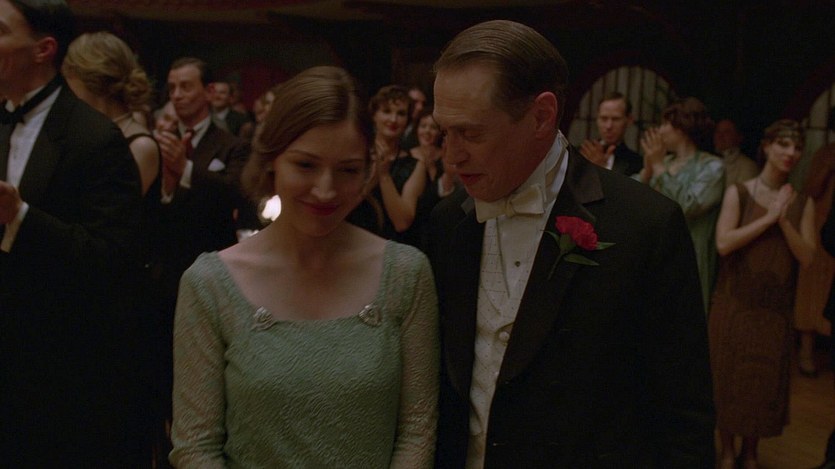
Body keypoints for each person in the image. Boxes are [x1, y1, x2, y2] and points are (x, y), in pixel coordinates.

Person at [429, 19, 714, 468]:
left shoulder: (645, 225)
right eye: (444, 132)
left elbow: (684, 413)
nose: (452, 155)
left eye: (472, 133)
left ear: (541, 116)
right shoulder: (449, 221)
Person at [169, 65, 439, 467]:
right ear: (272, 160)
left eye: (347, 170)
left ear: (367, 169)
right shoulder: (211, 284)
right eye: (306, 166)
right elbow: (195, 446)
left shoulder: (405, 274)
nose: (326, 190)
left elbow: (417, 429)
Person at [0, 0, 146, 465]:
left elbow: (111, 259)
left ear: (43, 49)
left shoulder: (95, 138)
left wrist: (20, 216)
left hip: (56, 374)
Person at [709, 119, 815, 469]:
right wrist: (768, 218)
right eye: (783, 144)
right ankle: (727, 451)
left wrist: (783, 220)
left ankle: (751, 452)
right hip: (734, 301)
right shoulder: (739, 192)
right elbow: (724, 243)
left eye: (797, 147)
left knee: (763, 382)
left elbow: (808, 257)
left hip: (774, 309)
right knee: (728, 376)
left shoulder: (802, 202)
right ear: (767, 147)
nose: (790, 153)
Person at [638, 97, 725, 312]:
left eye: (665, 124)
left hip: (690, 258)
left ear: (681, 128)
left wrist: (659, 168)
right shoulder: (664, 162)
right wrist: (647, 171)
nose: (660, 131)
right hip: (654, 254)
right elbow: (633, 202)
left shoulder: (712, 166)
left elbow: (688, 205)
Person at [348, 84, 427, 241]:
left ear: (408, 120)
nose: (393, 119)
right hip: (349, 239)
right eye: (386, 111)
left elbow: (402, 223)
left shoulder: (415, 166)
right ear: (374, 115)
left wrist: (384, 175)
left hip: (390, 246)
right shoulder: (354, 153)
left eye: (401, 113)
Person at [794, 106, 835, 377]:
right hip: (821, 227)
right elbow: (810, 190)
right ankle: (806, 352)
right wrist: (829, 167)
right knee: (812, 290)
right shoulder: (825, 153)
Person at [579, 91, 643, 176]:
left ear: (629, 120)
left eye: (616, 119)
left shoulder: (636, 162)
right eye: (604, 118)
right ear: (597, 119)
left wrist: (601, 170)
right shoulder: (579, 153)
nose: (608, 126)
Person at [713, 118, 758, 187]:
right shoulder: (710, 163)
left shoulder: (747, 167)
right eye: (717, 131)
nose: (720, 136)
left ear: (739, 137)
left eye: (727, 132)